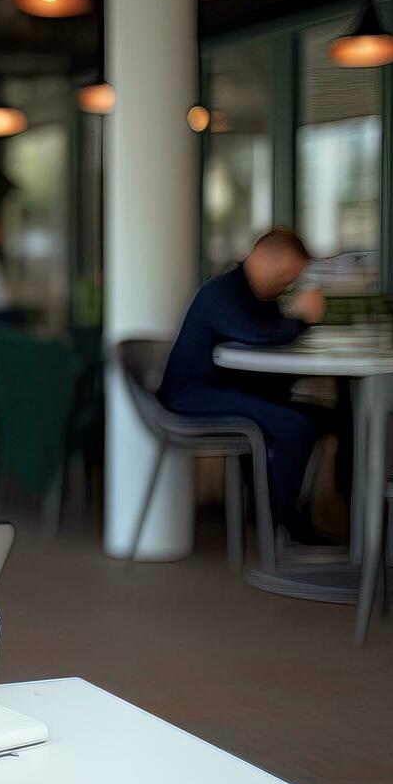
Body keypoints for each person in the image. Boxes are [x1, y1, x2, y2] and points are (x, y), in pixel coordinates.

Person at [157, 228, 335, 546]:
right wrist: (304, 318)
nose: (288, 285)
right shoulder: (223, 292)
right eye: (285, 276)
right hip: (192, 396)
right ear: (262, 259)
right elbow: (260, 336)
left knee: (330, 418)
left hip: (229, 392)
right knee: (295, 426)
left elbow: (271, 339)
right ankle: (282, 523)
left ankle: (344, 509)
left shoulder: (260, 296)